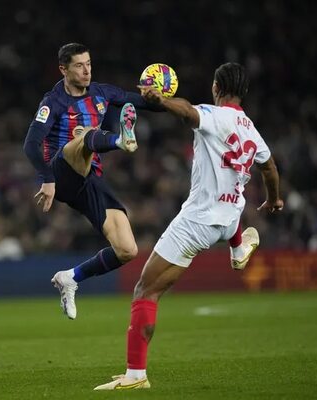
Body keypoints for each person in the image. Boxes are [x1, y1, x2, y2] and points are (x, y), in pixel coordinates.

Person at [94, 62, 283, 390]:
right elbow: (269, 168)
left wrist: (160, 101)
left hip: (198, 222)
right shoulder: (250, 128)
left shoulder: (213, 114)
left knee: (145, 291)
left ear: (215, 87)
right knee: (230, 208)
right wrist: (274, 200)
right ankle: (238, 246)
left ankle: (136, 376)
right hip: (229, 218)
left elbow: (186, 112)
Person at [23, 43, 162, 320]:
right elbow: (31, 144)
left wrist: (167, 101)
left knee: (127, 249)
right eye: (78, 65)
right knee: (84, 134)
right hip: (61, 170)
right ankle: (119, 140)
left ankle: (71, 278)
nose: (86, 70)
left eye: (88, 64)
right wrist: (46, 179)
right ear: (63, 69)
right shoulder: (53, 102)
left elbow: (144, 102)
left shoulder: (101, 92)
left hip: (89, 178)